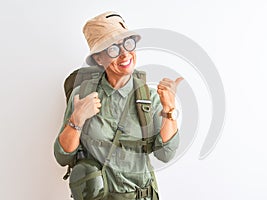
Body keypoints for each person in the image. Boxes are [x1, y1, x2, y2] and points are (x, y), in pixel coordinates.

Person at [54, 11, 183, 200]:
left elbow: (165, 155)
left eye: (128, 44)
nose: (124, 54)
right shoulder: (82, 95)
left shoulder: (150, 98)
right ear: (99, 58)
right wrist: (77, 119)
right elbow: (62, 156)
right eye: (113, 49)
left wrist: (169, 110)